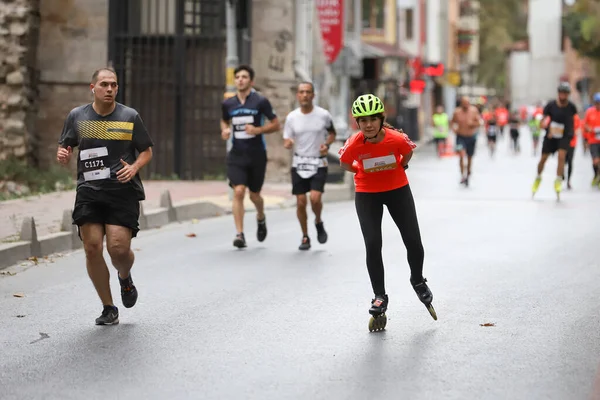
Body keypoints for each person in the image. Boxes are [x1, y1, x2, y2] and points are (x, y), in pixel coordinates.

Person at [56, 68, 154, 325]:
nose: (109, 89)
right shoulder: (77, 116)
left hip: (122, 191)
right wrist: (63, 156)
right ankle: (108, 307)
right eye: (104, 84)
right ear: (93, 88)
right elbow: (65, 147)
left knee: (118, 250)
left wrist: (134, 167)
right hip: (89, 190)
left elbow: (146, 151)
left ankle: (125, 276)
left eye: (113, 85)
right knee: (92, 248)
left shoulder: (129, 116)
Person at [338, 94, 436, 332]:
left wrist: (401, 165)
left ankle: (417, 279)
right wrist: (360, 170)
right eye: (363, 120)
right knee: (373, 244)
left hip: (397, 190)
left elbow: (408, 153)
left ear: (381, 119)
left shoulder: (396, 139)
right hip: (367, 193)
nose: (368, 124)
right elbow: (344, 163)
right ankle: (379, 295)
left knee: (413, 240)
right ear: (357, 123)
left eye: (373, 119)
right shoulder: (354, 143)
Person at [221, 65, 281, 248]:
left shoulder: (260, 101)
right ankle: (240, 234)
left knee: (255, 195)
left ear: (251, 81)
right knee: (238, 191)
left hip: (256, 155)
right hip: (237, 154)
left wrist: (258, 130)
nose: (240, 79)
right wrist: (224, 129)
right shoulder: (228, 103)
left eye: (244, 77)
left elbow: (276, 124)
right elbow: (224, 119)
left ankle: (260, 216)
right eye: (237, 77)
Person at [283, 82, 335, 250]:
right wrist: (289, 143)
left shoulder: (323, 115)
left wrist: (326, 145)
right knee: (300, 202)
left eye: (308, 92)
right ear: (297, 95)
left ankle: (318, 221)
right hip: (299, 162)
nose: (304, 95)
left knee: (315, 198)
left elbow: (332, 133)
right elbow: (287, 138)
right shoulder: (292, 117)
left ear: (313, 95)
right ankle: (305, 236)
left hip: (318, 162)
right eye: (301, 92)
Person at [531, 82, 578, 199]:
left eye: (565, 94)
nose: (563, 96)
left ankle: (558, 180)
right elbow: (544, 118)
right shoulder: (551, 105)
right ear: (558, 94)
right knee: (543, 159)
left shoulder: (571, 107)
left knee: (561, 157)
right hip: (551, 136)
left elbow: (574, 120)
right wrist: (542, 124)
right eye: (561, 93)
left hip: (564, 136)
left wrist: (573, 133)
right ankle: (538, 176)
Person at [451, 96, 481, 186]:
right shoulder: (457, 112)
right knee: (461, 155)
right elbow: (452, 122)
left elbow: (479, 122)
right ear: (461, 104)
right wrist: (454, 129)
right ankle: (462, 175)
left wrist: (473, 124)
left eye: (467, 103)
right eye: (464, 103)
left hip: (471, 137)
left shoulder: (474, 111)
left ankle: (468, 173)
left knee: (469, 157)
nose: (466, 105)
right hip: (460, 137)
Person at [583, 92, 600, 187]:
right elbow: (585, 124)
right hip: (593, 140)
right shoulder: (590, 112)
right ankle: (595, 175)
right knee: (595, 161)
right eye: (597, 103)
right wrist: (589, 129)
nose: (598, 105)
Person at [564, 113, 581, 190]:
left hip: (572, 143)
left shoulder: (575, 117)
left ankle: (568, 181)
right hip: (562, 142)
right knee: (563, 160)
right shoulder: (562, 114)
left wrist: (574, 132)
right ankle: (561, 174)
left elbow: (578, 129)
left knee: (570, 161)